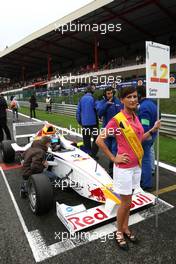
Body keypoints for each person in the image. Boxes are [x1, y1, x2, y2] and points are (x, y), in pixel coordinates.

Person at [96, 86, 160, 250]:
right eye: (129, 97)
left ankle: (125, 227)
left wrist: (152, 130)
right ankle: (119, 231)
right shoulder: (117, 120)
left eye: (135, 97)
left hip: (135, 167)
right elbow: (99, 140)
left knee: (129, 201)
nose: (133, 99)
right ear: (122, 100)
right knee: (125, 202)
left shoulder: (135, 117)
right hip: (123, 168)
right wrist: (113, 157)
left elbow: (139, 140)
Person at [96, 87, 122, 175]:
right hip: (106, 129)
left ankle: (113, 167)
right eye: (108, 93)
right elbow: (99, 113)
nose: (110, 95)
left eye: (111, 93)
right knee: (108, 149)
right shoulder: (102, 102)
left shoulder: (118, 102)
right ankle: (112, 164)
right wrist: (107, 104)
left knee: (115, 149)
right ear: (105, 94)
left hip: (116, 130)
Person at [137, 85, 157, 190]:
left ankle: (146, 183)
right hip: (153, 135)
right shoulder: (153, 103)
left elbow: (144, 125)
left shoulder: (144, 107)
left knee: (144, 159)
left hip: (146, 136)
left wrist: (142, 137)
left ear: (140, 95)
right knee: (147, 158)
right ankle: (146, 180)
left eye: (136, 95)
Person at [76, 85, 99, 158]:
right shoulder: (93, 98)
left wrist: (80, 121)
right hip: (94, 123)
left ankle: (89, 155)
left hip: (85, 124)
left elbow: (78, 112)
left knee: (86, 140)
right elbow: (98, 109)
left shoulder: (81, 99)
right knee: (97, 139)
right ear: (92, 91)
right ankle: (93, 154)